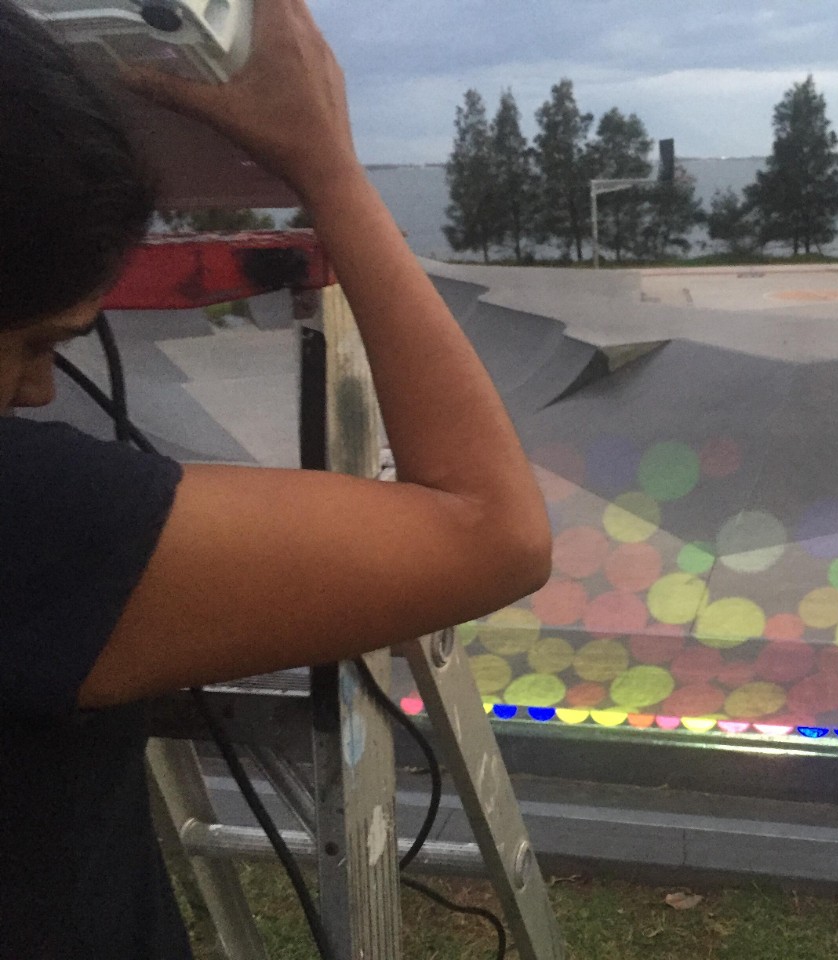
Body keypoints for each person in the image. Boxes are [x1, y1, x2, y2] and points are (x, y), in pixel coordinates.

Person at [0, 0, 551, 955]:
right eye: (33, 341)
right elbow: (491, 529)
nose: (43, 392)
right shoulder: (29, 524)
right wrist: (329, 169)